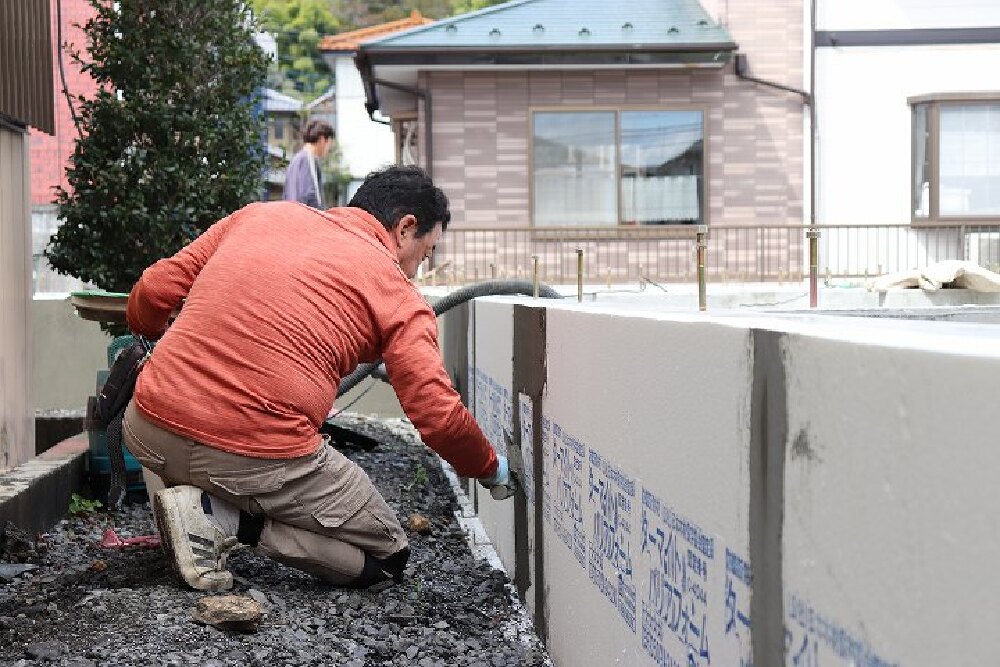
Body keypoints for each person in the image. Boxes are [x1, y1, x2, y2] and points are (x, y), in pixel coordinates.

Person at [122, 166, 514, 592]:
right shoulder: (398, 295)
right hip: (250, 453)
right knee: (386, 555)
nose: (418, 270)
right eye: (425, 253)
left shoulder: (260, 217)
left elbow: (155, 288)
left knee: (197, 447)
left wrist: (161, 340)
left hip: (148, 427)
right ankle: (220, 518)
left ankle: (191, 512)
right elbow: (438, 416)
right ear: (406, 228)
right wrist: (490, 469)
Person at [283, 118, 333, 209]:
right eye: (329, 143)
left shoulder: (297, 159)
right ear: (322, 139)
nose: (329, 148)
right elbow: (308, 195)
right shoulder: (308, 159)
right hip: (306, 219)